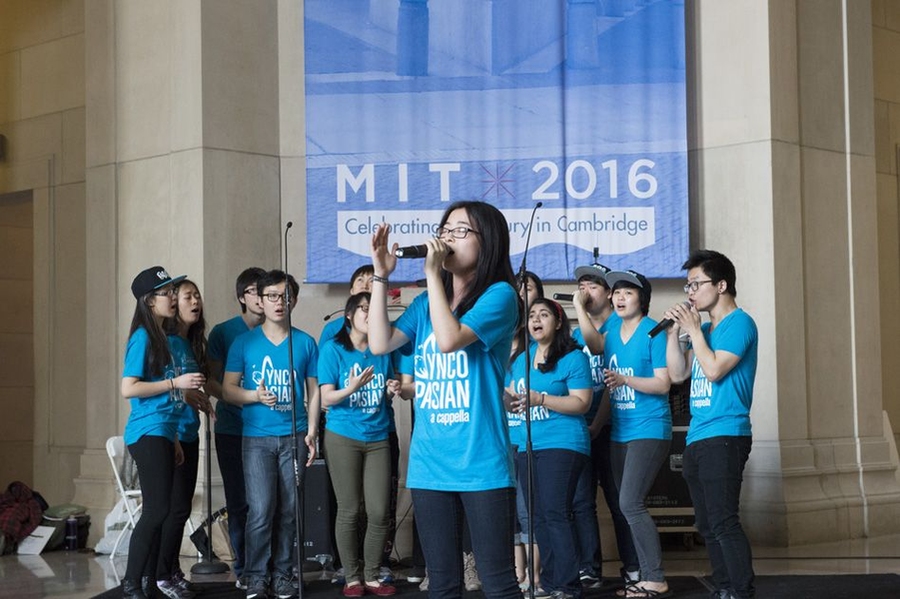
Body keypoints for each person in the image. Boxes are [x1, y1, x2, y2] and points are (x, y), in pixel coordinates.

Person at [368, 200, 522, 599]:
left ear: (487, 242)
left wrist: (432, 276)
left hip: (481, 461)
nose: (448, 238)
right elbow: (379, 342)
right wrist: (382, 278)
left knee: (497, 582)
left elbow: (450, 338)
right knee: (442, 583)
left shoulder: (500, 296)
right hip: (430, 462)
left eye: (460, 231)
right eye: (446, 229)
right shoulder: (424, 305)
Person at [663, 250, 758, 599]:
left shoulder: (740, 323)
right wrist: (675, 334)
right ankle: (723, 588)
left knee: (723, 519)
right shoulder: (703, 328)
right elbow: (677, 374)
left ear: (721, 285)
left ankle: (741, 590)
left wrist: (694, 332)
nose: (690, 292)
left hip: (726, 434)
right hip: (698, 436)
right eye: (687, 285)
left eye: (696, 284)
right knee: (704, 523)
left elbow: (716, 368)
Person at [223, 270, 320, 599]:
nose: (280, 302)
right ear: (260, 301)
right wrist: (254, 396)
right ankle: (255, 577)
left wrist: (312, 430)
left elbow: (314, 390)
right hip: (257, 440)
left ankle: (283, 574)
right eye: (272, 296)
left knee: (290, 510)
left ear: (293, 300)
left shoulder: (305, 342)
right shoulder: (244, 343)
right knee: (261, 510)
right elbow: (227, 390)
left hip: (294, 435)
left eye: (285, 296)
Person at [120, 266, 206, 599]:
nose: (172, 298)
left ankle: (146, 580)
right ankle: (132, 583)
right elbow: (129, 388)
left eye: (173, 291)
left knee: (166, 509)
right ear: (148, 300)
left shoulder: (162, 338)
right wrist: (176, 383)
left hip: (164, 430)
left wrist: (172, 438)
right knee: (156, 510)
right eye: (166, 293)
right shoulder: (143, 336)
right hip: (146, 431)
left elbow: (167, 398)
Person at [318, 292, 408, 597]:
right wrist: (351, 387)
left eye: (375, 310)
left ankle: (372, 575)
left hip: (379, 435)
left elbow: (389, 386)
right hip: (343, 435)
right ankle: (352, 577)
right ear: (349, 315)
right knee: (350, 510)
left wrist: (392, 388)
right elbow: (326, 398)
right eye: (365, 310)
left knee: (380, 511)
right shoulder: (333, 350)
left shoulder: (383, 350)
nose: (371, 316)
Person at [507, 298, 593, 599]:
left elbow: (582, 402)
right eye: (532, 315)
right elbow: (512, 397)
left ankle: (568, 584)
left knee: (556, 512)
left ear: (558, 323)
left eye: (544, 314)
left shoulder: (573, 357)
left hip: (563, 443)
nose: (536, 319)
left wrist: (541, 399)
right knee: (538, 516)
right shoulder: (521, 359)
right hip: (527, 444)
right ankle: (550, 581)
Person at [601, 270, 672, 599]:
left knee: (630, 502)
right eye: (616, 292)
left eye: (627, 292)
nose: (619, 297)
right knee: (624, 503)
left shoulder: (653, 331)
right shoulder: (611, 329)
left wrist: (626, 380)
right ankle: (644, 575)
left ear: (642, 298)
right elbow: (590, 344)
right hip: (620, 431)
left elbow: (663, 383)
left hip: (649, 428)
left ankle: (655, 577)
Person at [571, 264, 639, 587]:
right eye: (581, 285)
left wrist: (598, 424)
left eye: (592, 286)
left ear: (609, 294)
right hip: (579, 428)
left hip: (614, 427)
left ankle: (633, 567)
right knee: (582, 501)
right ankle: (589, 568)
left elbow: (599, 347)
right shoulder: (573, 335)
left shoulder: (620, 324)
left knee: (619, 500)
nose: (585, 291)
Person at [207, 267, 266, 590]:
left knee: (269, 502)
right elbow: (213, 382)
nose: (261, 298)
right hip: (232, 428)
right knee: (239, 501)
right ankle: (244, 567)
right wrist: (238, 399)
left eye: (266, 292)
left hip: (268, 428)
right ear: (242, 297)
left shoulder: (276, 331)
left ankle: (269, 564)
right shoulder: (223, 332)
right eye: (255, 292)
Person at [156, 280, 215, 599]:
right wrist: (185, 392)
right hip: (170, 434)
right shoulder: (163, 342)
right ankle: (161, 575)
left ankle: (172, 570)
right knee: (174, 509)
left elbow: (188, 386)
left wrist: (198, 397)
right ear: (173, 303)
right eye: (187, 296)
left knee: (181, 508)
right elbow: (162, 385)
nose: (196, 302)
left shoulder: (191, 342)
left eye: (197, 296)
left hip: (189, 433)